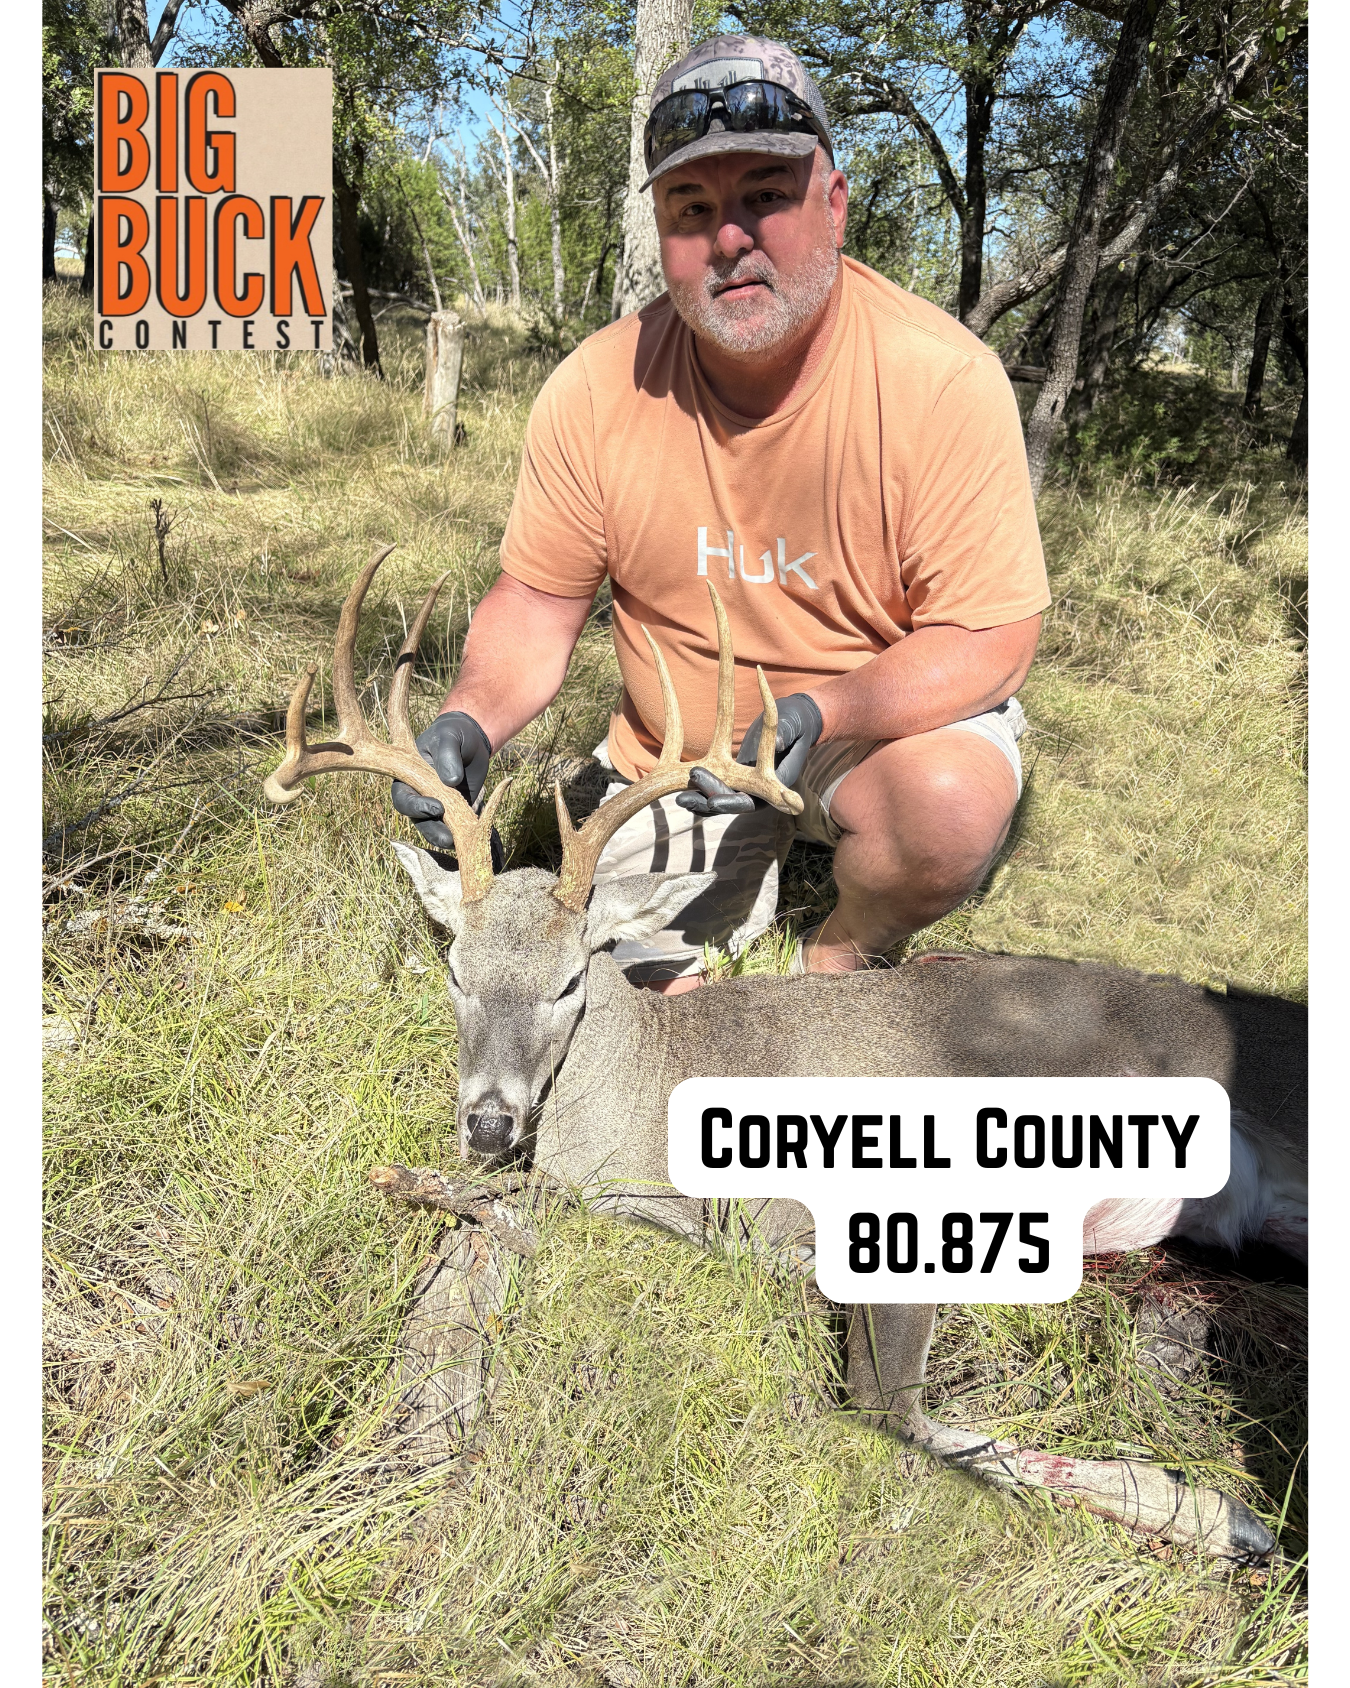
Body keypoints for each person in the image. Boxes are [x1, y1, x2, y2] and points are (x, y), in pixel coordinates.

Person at [393, 34, 1049, 993]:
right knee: (620, 998)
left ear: (833, 203)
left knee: (944, 810)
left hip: (867, 728)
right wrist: (472, 719)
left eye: (766, 197)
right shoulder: (595, 389)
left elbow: (991, 636)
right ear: (661, 233)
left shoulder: (941, 379)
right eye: (691, 208)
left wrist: (829, 709)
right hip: (675, 763)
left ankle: (841, 959)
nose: (729, 238)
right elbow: (538, 604)